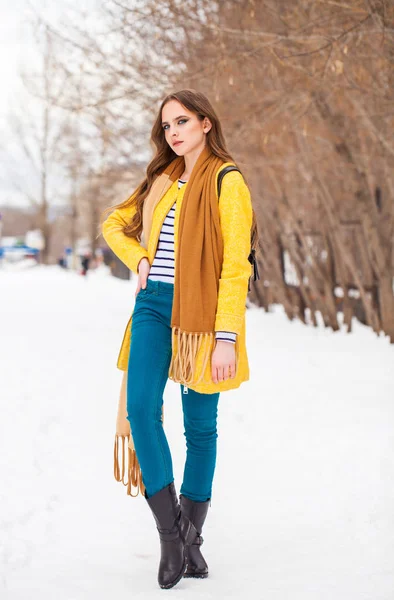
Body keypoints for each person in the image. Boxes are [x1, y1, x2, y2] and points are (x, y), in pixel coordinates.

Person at [101, 89, 258, 589]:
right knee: (141, 408)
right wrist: (139, 260)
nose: (173, 132)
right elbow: (113, 224)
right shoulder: (162, 178)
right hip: (153, 306)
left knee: (200, 427)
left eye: (182, 121)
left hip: (205, 317)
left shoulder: (227, 182)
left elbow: (236, 265)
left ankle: (193, 536)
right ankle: (172, 535)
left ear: (206, 123)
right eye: (167, 125)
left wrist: (227, 336)